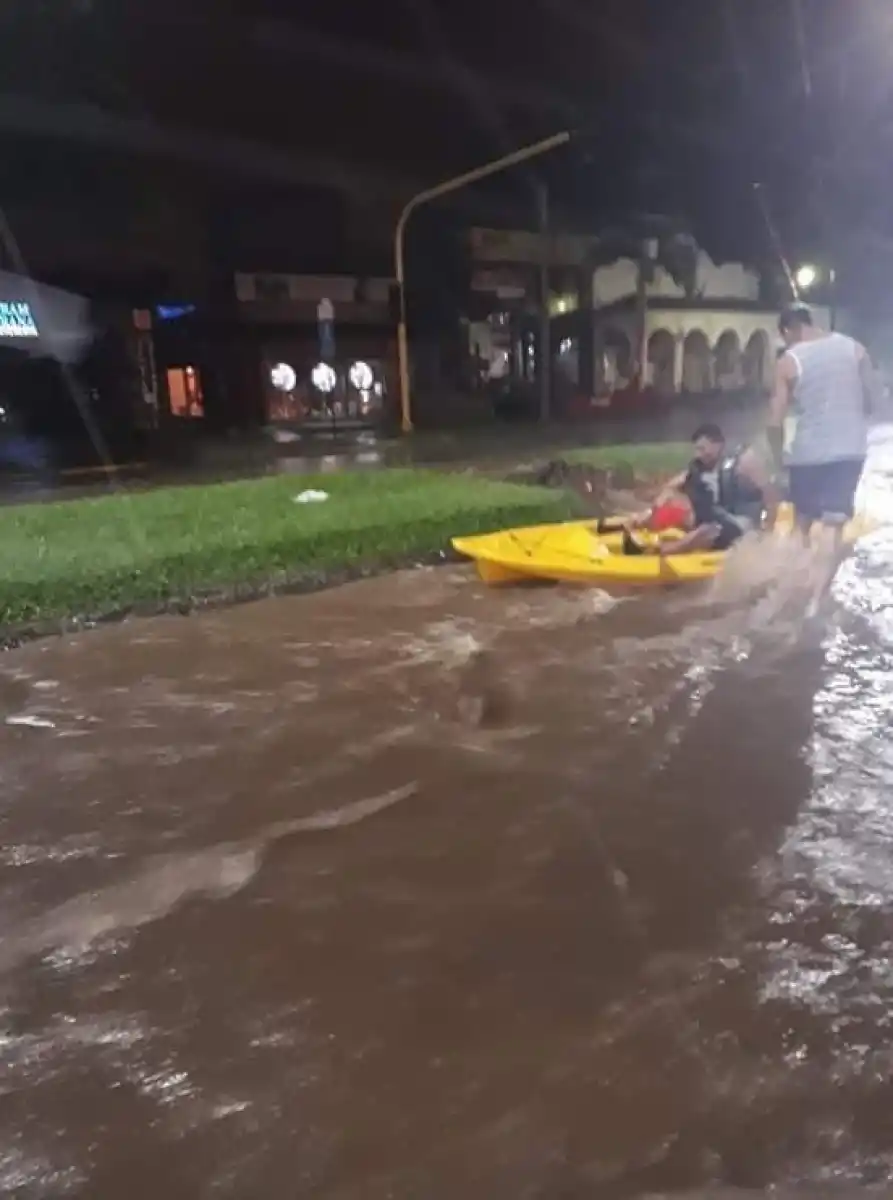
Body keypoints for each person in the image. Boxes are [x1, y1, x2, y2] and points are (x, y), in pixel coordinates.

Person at [768, 303, 874, 601]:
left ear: (789, 330)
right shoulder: (856, 349)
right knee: (833, 525)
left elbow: (774, 421)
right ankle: (816, 600)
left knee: (801, 523)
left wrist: (778, 459)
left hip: (806, 454)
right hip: (848, 451)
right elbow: (872, 398)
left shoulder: (788, 362)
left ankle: (789, 590)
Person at [621, 423, 778, 557]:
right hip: (716, 519)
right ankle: (636, 528)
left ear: (717, 445)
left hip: (743, 524)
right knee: (673, 506)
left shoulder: (745, 461)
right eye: (697, 449)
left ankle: (657, 552)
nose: (699, 454)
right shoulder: (700, 467)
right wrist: (653, 509)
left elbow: (770, 494)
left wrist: (767, 533)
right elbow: (671, 487)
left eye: (703, 449)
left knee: (708, 530)